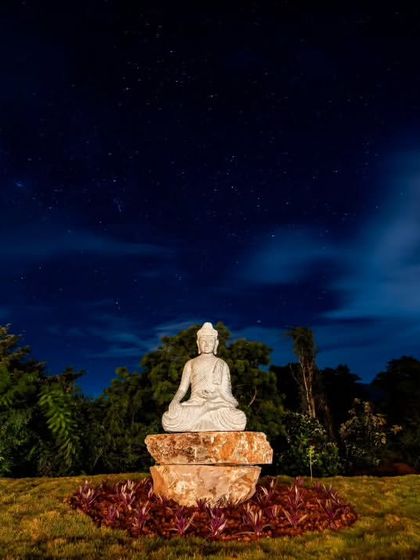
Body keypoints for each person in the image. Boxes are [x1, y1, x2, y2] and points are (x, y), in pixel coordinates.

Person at [162, 322, 247, 432]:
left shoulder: (221, 363)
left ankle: (205, 411)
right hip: (194, 404)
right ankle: (204, 410)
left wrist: (214, 396)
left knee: (238, 417)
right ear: (198, 343)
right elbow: (182, 388)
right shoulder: (190, 363)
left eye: (210, 341)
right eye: (203, 341)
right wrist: (174, 401)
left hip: (216, 404)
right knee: (168, 418)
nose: (207, 344)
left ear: (216, 344)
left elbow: (225, 392)